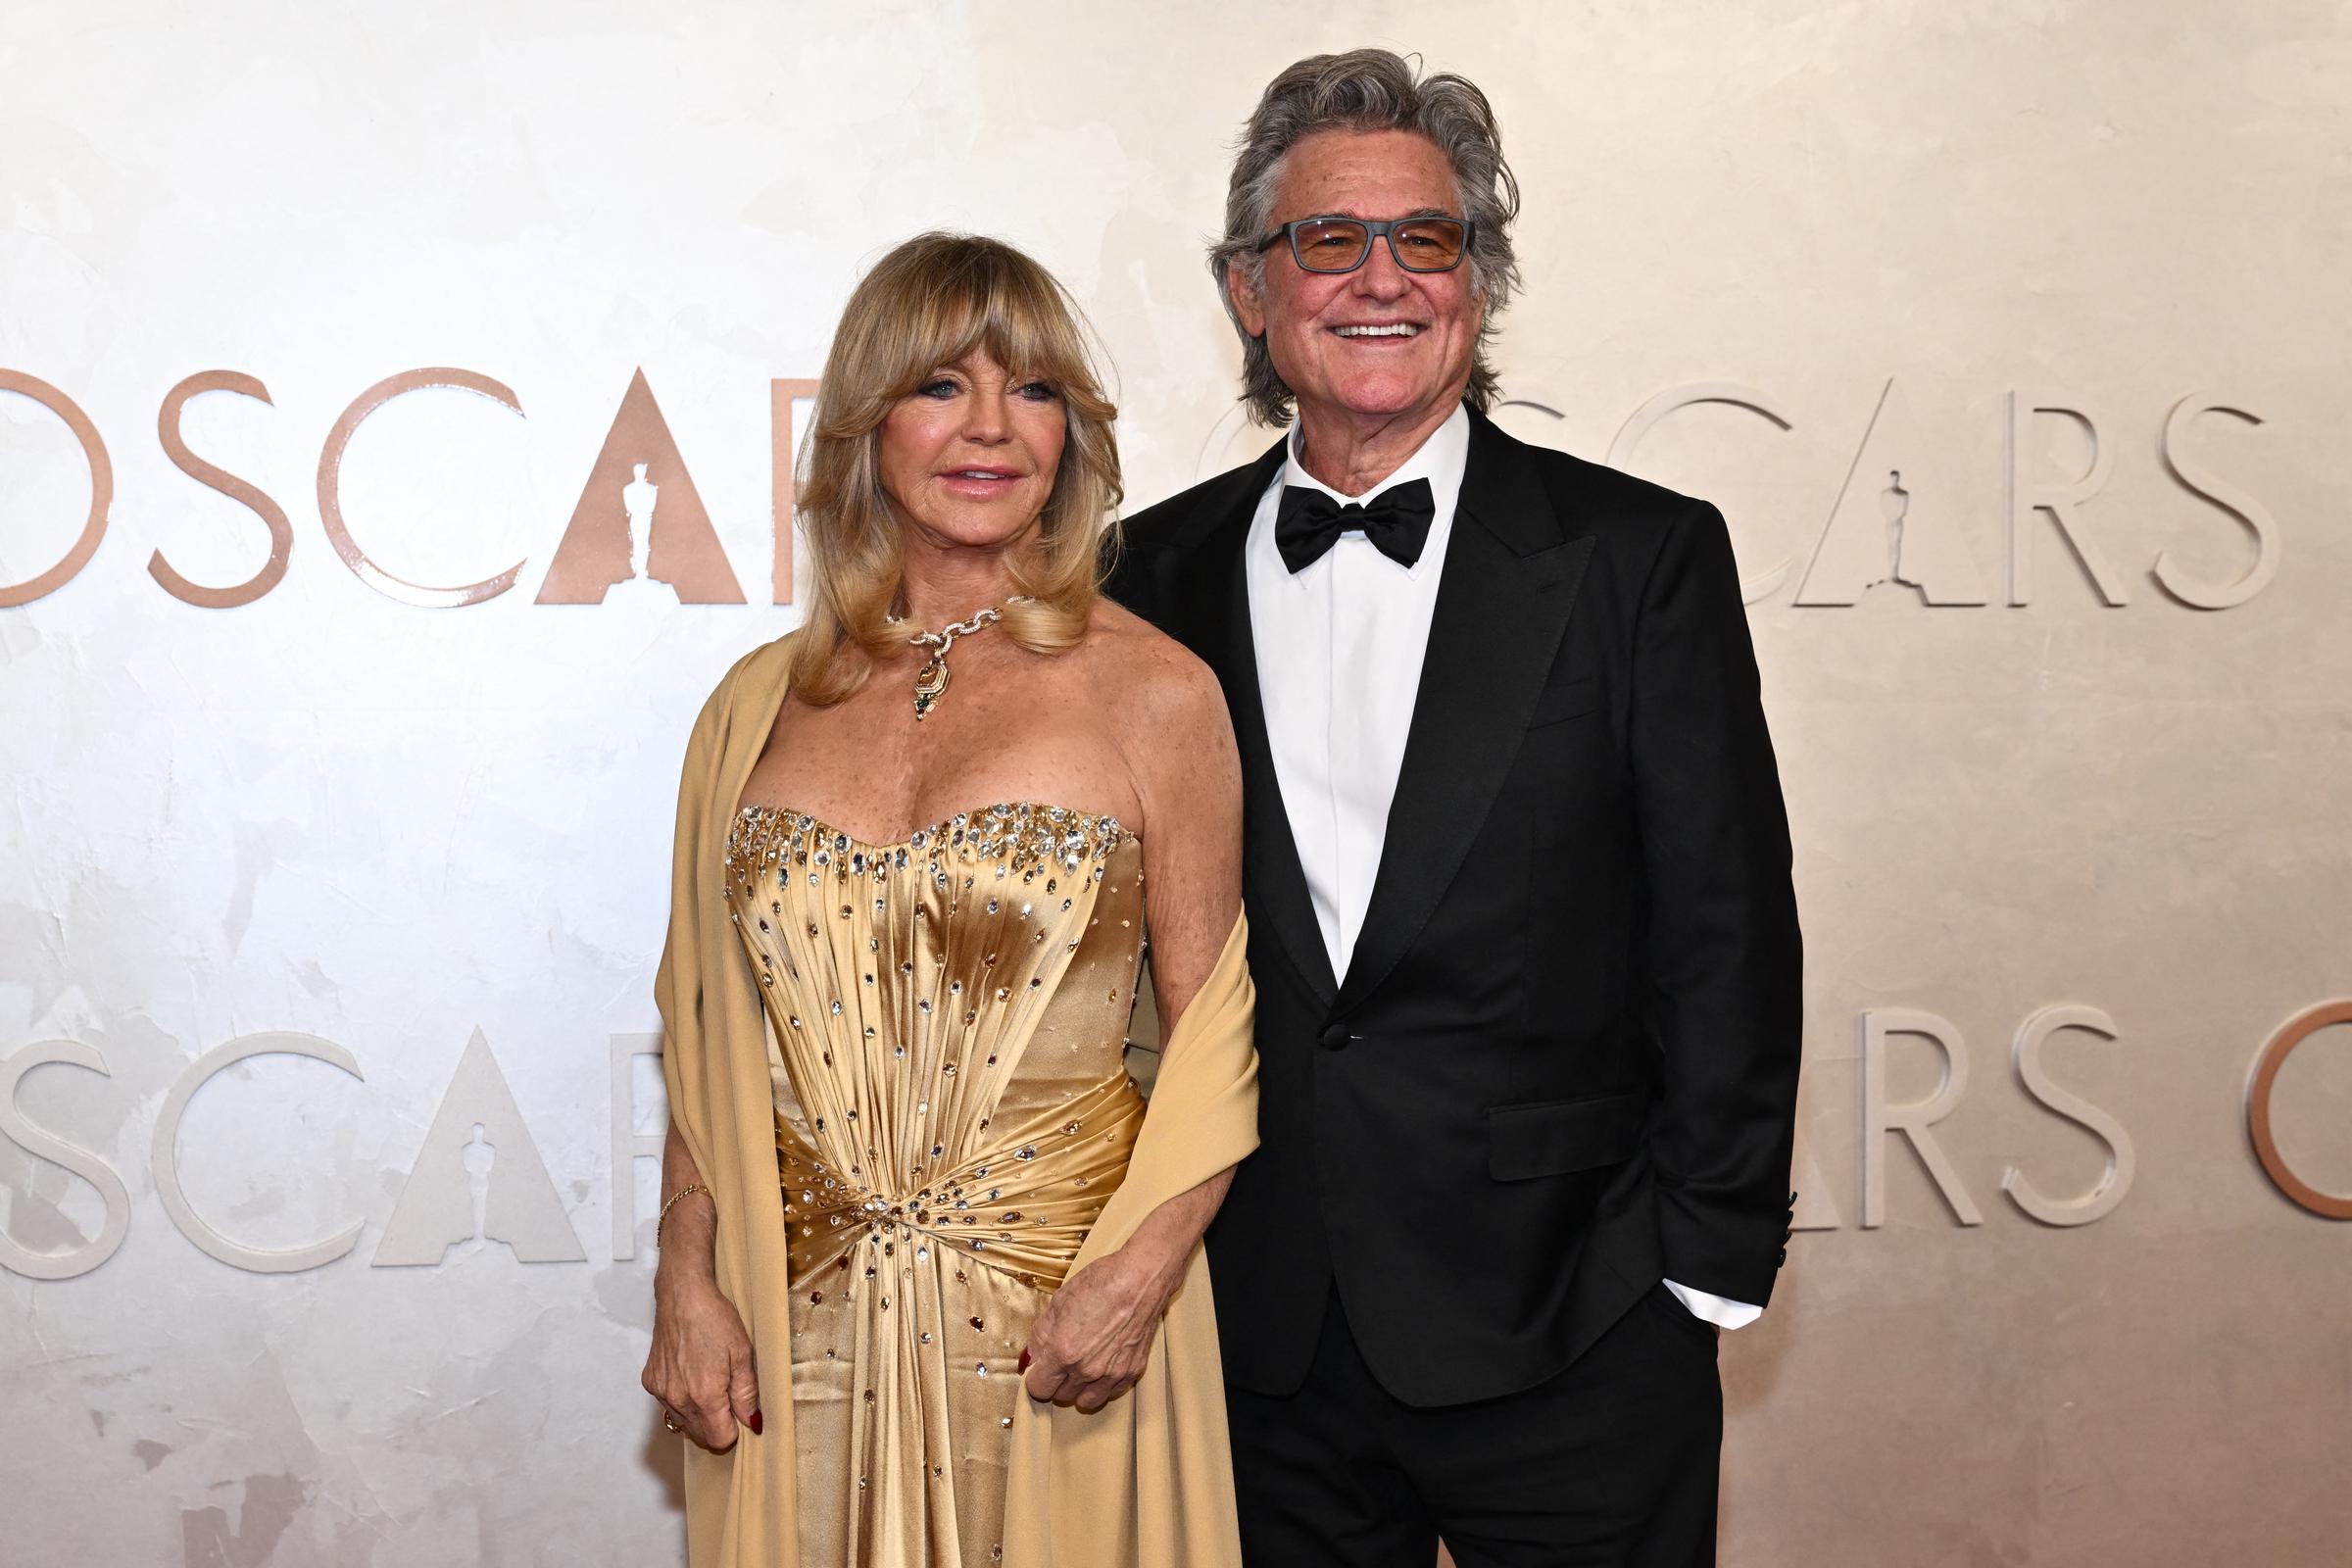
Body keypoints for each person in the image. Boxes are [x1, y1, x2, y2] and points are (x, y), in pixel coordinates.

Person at [1107, 50, 1803, 1568]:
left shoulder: (1637, 558)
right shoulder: (1140, 579)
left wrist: (1702, 1273)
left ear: (1475, 286)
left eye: (1426, 239)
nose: (1381, 278)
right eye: (1328, 239)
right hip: (1256, 1341)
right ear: (1249, 292)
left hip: (1579, 1320)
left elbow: (1727, 927)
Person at [644, 231, 1259, 1568]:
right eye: (941, 386)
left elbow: (1216, 1040)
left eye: (1031, 390)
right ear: (868, 426)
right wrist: (684, 1272)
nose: (990, 428)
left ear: (1072, 435)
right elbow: (708, 1044)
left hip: (1064, 1328)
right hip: (796, 1326)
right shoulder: (753, 709)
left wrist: (1142, 1277)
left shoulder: (1159, 692)